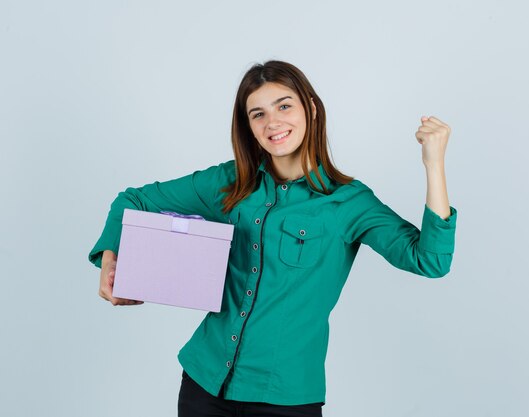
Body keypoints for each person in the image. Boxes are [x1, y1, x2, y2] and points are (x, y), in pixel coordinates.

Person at [88, 60, 458, 417]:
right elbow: (134, 200)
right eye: (258, 113)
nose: (273, 122)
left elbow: (429, 260)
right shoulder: (230, 183)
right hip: (205, 383)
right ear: (248, 126)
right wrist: (111, 258)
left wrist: (433, 165)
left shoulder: (348, 202)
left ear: (310, 108)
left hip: (286, 398)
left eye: (284, 105)